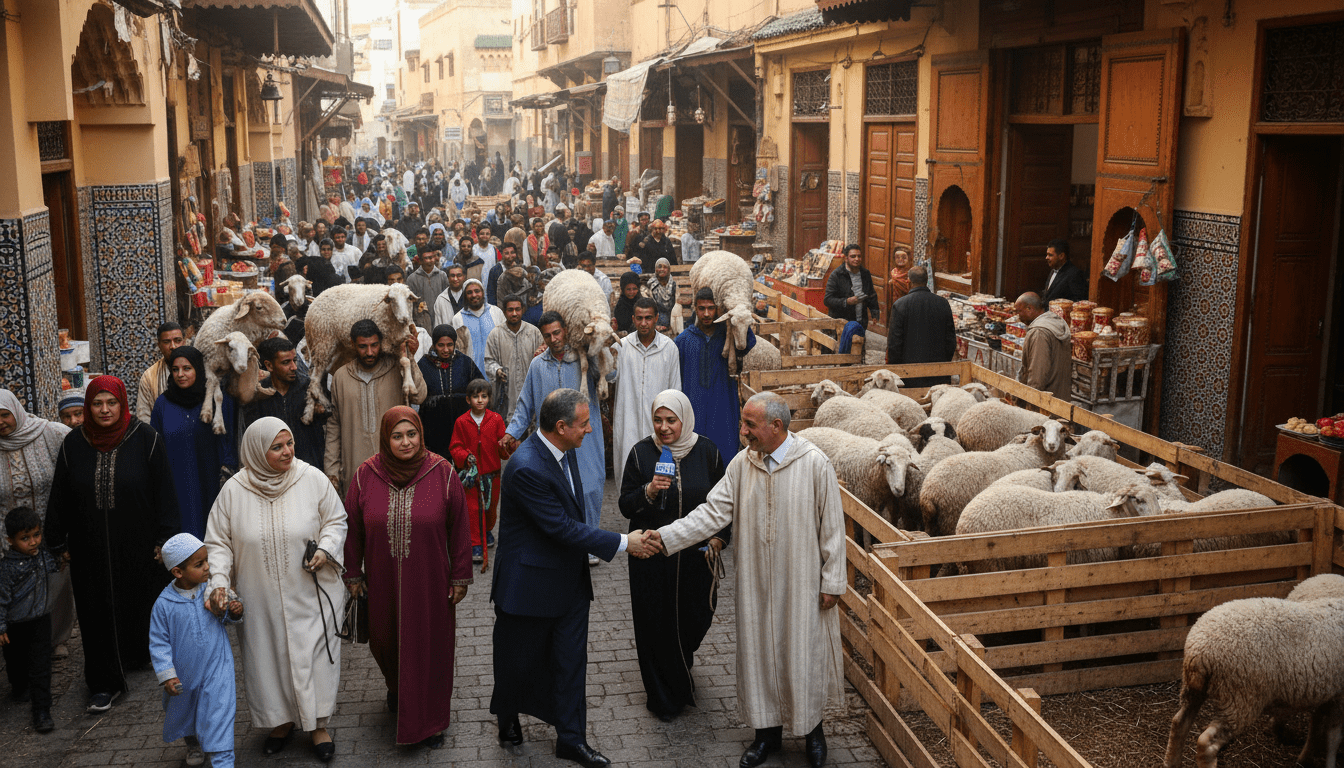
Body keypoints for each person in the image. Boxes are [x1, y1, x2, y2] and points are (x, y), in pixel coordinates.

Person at [647, 392, 844, 768]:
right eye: (743, 423)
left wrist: (832, 581)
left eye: (750, 425)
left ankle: (812, 732)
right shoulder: (742, 465)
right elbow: (711, 512)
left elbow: (833, 527)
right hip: (755, 582)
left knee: (803, 654)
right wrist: (666, 537)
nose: (742, 432)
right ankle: (765, 734)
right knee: (758, 655)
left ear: (777, 426)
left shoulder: (815, 464)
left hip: (803, 581)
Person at [490, 389, 661, 767]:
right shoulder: (527, 467)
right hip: (528, 585)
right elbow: (562, 528)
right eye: (584, 424)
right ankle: (508, 715)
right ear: (561, 426)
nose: (590, 430)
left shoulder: (566, 450)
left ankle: (571, 739)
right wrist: (623, 542)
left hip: (567, 583)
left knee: (570, 663)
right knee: (518, 660)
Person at [205, 418, 347, 761]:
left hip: (311, 595)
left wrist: (326, 549)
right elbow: (219, 543)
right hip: (259, 597)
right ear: (257, 451)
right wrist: (220, 581)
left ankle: (317, 726)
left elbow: (336, 520)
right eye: (277, 446)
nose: (288, 452)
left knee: (314, 660)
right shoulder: (233, 491)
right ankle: (279, 722)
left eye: (290, 443)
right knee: (267, 660)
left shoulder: (311, 479)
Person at [45, 376, 179, 713]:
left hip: (138, 544)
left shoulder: (145, 439)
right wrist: (56, 541)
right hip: (88, 546)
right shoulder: (73, 444)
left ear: (122, 404)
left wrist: (165, 538)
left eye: (111, 403)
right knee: (94, 611)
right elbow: (59, 494)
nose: (104, 410)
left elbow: (165, 493)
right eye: (97, 404)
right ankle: (103, 683)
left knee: (137, 603)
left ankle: (137, 656)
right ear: (89, 407)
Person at [343, 407, 472, 748]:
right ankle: (398, 689)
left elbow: (460, 528)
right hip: (382, 584)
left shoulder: (443, 472)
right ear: (386, 439)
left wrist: (460, 576)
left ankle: (428, 721)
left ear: (421, 434)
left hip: (430, 585)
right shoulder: (365, 475)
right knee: (385, 642)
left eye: (411, 434)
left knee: (430, 648)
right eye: (397, 436)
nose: (405, 442)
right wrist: (353, 573)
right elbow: (351, 529)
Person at [618, 391, 727, 721]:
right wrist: (648, 492)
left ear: (685, 419)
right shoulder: (640, 453)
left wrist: (720, 538)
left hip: (696, 558)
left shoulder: (707, 451)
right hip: (651, 556)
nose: (664, 427)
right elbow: (624, 505)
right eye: (658, 420)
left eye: (671, 420)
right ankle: (663, 695)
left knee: (696, 618)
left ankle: (681, 665)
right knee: (655, 625)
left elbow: (724, 504)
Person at [502, 313, 613, 552]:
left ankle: (590, 543)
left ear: (566, 330)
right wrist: (512, 432)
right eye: (547, 335)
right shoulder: (538, 364)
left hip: (586, 437)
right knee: (558, 488)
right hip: (552, 441)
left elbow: (610, 376)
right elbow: (525, 403)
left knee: (590, 485)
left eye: (557, 333)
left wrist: (602, 348)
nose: (553, 339)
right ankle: (565, 541)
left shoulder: (585, 359)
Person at [150, 533, 243, 768]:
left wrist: (234, 611)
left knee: (219, 712)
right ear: (178, 572)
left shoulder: (211, 590)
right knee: (186, 711)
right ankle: (192, 741)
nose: (207, 568)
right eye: (199, 564)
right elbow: (158, 642)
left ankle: (223, 760)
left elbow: (228, 617)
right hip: (185, 673)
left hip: (217, 668)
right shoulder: (163, 605)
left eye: (207, 561)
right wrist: (167, 675)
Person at [324, 320, 428, 494]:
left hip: (395, 470)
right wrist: (332, 472)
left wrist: (408, 357)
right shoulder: (341, 377)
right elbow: (334, 427)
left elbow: (420, 396)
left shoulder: (396, 368)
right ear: (352, 344)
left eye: (374, 345)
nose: (370, 352)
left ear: (381, 343)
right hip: (354, 472)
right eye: (363, 346)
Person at [150, 347, 238, 539]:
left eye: (187, 368)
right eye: (175, 369)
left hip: (212, 485)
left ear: (199, 369)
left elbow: (229, 445)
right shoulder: (162, 405)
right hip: (177, 488)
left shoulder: (218, 401)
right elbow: (155, 451)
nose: (180, 374)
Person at [675, 288, 755, 464]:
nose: (706, 313)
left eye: (711, 308)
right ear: (694, 308)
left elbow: (749, 343)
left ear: (719, 309)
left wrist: (737, 314)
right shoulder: (683, 341)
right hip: (693, 411)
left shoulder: (728, 337)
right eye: (701, 308)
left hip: (723, 409)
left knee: (724, 459)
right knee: (694, 462)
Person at [0, 506, 59, 733]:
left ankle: (42, 710)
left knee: (40, 665)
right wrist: (2, 626)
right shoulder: (7, 568)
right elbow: (2, 600)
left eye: (36, 535)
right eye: (25, 538)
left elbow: (54, 567)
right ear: (10, 540)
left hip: (40, 620)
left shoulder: (43, 556)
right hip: (16, 625)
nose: (33, 542)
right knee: (15, 662)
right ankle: (18, 686)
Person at [612, 298, 681, 470]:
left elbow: (675, 391)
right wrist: (606, 348)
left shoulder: (669, 348)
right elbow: (609, 378)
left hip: (659, 427)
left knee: (658, 480)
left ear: (656, 318)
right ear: (633, 319)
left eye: (648, 318)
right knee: (628, 475)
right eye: (640, 318)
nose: (644, 323)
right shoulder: (622, 346)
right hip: (628, 423)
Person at [242, 337, 326, 470]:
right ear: (269, 365)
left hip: (308, 470)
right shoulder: (259, 396)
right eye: (286, 362)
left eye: (295, 360)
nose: (294, 367)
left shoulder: (310, 389)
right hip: (273, 472)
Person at [450, 380, 507, 564]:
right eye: (475, 397)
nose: (480, 400)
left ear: (489, 398)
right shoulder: (461, 422)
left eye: (484, 396)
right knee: (472, 509)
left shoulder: (496, 419)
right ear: (468, 399)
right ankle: (475, 543)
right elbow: (455, 446)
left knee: (490, 508)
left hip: (493, 475)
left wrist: (508, 446)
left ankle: (487, 530)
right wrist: (465, 457)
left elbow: (502, 446)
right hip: (472, 477)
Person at [418, 326, 484, 459]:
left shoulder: (465, 362)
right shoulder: (424, 365)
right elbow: (417, 394)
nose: (446, 350)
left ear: (454, 344)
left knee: (464, 468)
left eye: (450, 345)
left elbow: (480, 387)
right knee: (439, 469)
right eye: (441, 345)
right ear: (434, 344)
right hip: (434, 430)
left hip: (463, 428)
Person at [885, 265, 956, 387]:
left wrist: (895, 368)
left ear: (908, 282)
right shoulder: (943, 303)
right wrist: (943, 363)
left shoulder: (900, 305)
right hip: (938, 374)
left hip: (908, 376)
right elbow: (950, 341)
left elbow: (894, 344)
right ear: (926, 281)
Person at [484, 296, 543, 424]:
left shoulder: (534, 333)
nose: (514, 313)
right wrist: (497, 370)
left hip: (531, 392)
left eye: (517, 309)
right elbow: (489, 362)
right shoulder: (495, 334)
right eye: (510, 310)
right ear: (504, 312)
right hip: (506, 395)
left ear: (523, 310)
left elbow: (543, 360)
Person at [1015, 292, 1072, 401]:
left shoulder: (1039, 333)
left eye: (1019, 311)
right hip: (1059, 399)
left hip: (1045, 405)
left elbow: (1037, 376)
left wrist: (1030, 403)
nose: (1018, 316)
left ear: (1029, 309)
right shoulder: (1053, 322)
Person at [451, 279, 506, 374]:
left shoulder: (496, 312)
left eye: (477, 291)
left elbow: (505, 341)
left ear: (483, 292)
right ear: (465, 296)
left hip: (496, 373)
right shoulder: (458, 319)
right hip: (470, 375)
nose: (474, 295)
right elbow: (457, 351)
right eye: (469, 292)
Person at [137, 322, 186, 423]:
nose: (173, 346)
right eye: (167, 342)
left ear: (184, 342)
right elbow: (144, 417)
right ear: (159, 345)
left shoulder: (198, 370)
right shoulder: (149, 377)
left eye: (177, 341)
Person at [823, 244, 879, 329]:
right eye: (853, 256)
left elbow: (871, 295)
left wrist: (874, 313)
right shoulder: (836, 275)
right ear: (846, 259)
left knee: (859, 342)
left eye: (859, 256)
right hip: (841, 324)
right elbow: (827, 300)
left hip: (860, 323)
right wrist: (846, 302)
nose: (857, 259)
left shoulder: (865, 274)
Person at [407, 246, 449, 319]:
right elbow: (410, 303)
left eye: (432, 257)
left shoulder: (442, 275)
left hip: (441, 316)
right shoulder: (412, 279)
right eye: (426, 258)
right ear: (420, 261)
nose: (430, 261)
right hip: (421, 318)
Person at [1041, 238, 1088, 303]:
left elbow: (1079, 301)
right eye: (1047, 254)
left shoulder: (1074, 274)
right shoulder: (1053, 269)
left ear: (1061, 256)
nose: (1046, 257)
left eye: (1050, 255)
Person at [642, 258, 679, 332]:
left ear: (668, 269)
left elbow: (674, 304)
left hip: (669, 315)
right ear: (656, 269)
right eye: (659, 266)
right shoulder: (650, 284)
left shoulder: (673, 285)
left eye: (665, 267)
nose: (662, 269)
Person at [486, 243, 520, 307]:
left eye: (512, 252)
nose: (510, 256)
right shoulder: (495, 271)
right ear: (502, 254)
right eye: (507, 253)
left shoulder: (521, 268)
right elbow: (491, 295)